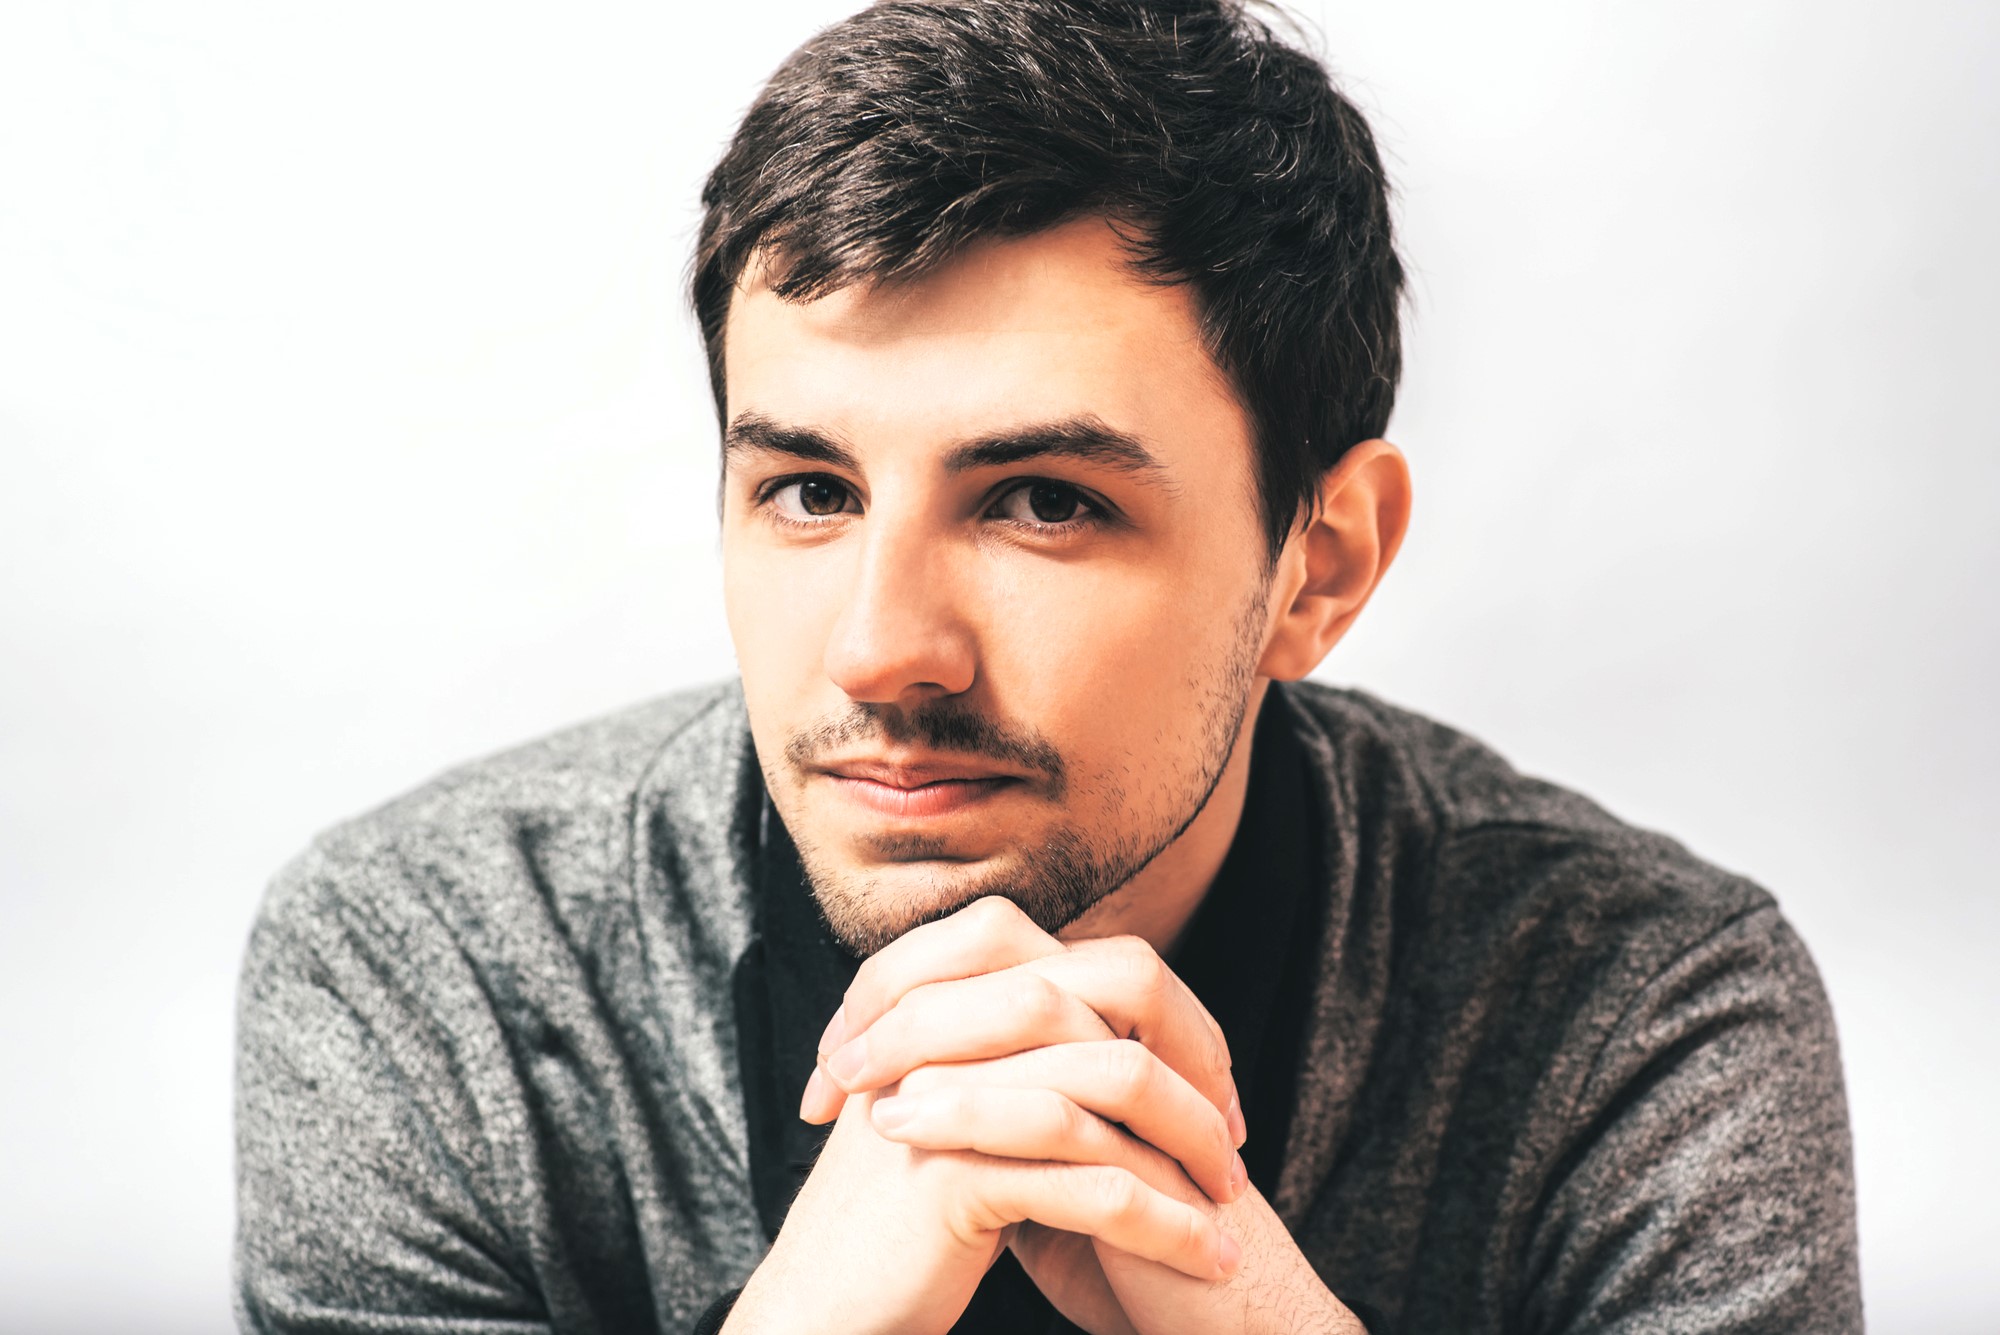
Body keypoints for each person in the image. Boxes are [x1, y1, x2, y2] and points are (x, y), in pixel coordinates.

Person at [232, 2, 1862, 1331]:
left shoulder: (1635, 1016)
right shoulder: (432, 977)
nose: (883, 649)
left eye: (1043, 503)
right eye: (808, 491)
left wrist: (1239, 1293)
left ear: (1323, 563)